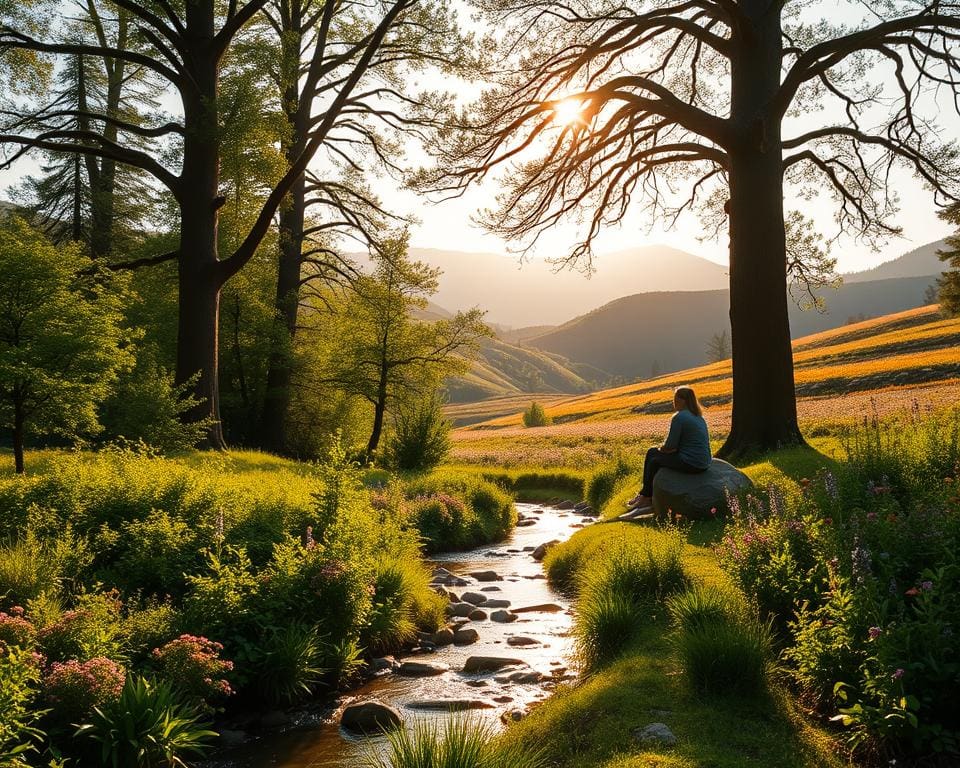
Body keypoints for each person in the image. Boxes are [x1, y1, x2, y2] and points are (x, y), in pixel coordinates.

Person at [625, 386, 711, 515]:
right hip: (704, 461)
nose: (674, 402)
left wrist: (662, 448)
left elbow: (670, 445)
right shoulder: (698, 416)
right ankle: (644, 494)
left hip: (691, 462)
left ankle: (646, 497)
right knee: (653, 453)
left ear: (682, 400)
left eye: (675, 399)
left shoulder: (679, 417)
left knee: (653, 457)